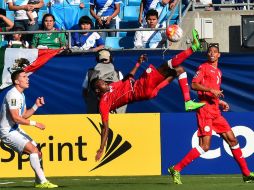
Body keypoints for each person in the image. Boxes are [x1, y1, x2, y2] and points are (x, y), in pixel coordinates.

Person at [91, 30, 205, 161]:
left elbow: (126, 79)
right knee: (167, 65)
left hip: (146, 91)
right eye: (101, 83)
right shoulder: (103, 104)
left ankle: (188, 101)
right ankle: (194, 48)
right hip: (140, 89)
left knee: (179, 70)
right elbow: (105, 128)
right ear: (97, 90)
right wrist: (101, 148)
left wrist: (138, 64)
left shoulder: (111, 87)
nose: (104, 82)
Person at [168, 43, 254, 184]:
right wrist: (211, 91)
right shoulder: (203, 67)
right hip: (205, 111)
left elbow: (212, 92)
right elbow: (194, 84)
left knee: (233, 140)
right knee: (205, 146)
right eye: (210, 52)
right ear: (207, 55)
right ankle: (176, 168)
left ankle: (246, 174)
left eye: (215, 51)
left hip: (215, 111)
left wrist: (220, 102)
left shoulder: (218, 72)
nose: (212, 53)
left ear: (219, 55)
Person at [0, 69, 58, 188]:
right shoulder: (13, 95)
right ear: (17, 81)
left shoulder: (21, 94)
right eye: (24, 77)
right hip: (7, 132)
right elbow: (16, 118)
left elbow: (23, 115)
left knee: (38, 153)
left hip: (15, 129)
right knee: (33, 150)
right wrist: (35, 123)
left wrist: (36, 106)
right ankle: (42, 182)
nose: (28, 79)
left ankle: (38, 182)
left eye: (27, 76)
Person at [82, 48, 126, 113]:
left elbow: (84, 91)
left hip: (95, 111)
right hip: (115, 112)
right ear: (111, 59)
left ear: (98, 59)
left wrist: (90, 103)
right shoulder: (118, 73)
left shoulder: (90, 73)